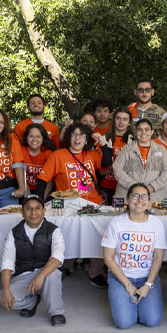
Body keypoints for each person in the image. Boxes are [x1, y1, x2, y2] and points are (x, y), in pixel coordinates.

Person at [37, 122, 110, 288]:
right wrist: (38, 202)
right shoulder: (58, 155)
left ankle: (96, 273)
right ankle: (65, 266)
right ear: (69, 137)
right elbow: (43, 179)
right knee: (66, 236)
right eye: (74, 134)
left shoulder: (91, 154)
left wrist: (103, 142)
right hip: (67, 206)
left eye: (82, 135)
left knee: (97, 237)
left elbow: (106, 162)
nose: (78, 138)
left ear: (87, 139)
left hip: (93, 204)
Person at [101, 183, 166, 329]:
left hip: (146, 278)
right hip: (121, 278)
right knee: (124, 323)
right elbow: (108, 257)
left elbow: (158, 257)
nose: (140, 200)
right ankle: (131, 305)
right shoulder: (116, 223)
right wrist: (128, 285)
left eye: (144, 196)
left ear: (149, 200)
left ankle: (138, 305)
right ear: (127, 199)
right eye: (135, 196)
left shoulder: (156, 224)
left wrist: (148, 285)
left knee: (152, 321)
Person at [0, 196, 66, 326]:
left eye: (37, 208)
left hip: (46, 274)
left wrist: (41, 276)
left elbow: (57, 258)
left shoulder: (54, 231)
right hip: (24, 276)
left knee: (53, 274)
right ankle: (32, 302)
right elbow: (7, 263)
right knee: (2, 297)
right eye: (29, 209)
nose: (33, 213)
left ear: (44, 211)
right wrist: (6, 290)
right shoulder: (14, 233)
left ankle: (56, 312)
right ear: (22, 213)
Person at [112, 118, 167, 203]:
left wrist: (152, 186)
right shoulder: (126, 150)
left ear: (152, 132)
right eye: (140, 130)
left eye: (147, 130)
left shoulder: (161, 150)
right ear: (135, 132)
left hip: (154, 197)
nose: (143, 132)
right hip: (128, 196)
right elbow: (117, 169)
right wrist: (134, 187)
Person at [99, 106, 134, 202]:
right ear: (114, 120)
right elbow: (100, 165)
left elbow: (134, 167)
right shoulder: (104, 138)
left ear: (129, 122)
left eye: (125, 119)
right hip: (106, 186)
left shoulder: (133, 141)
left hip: (125, 187)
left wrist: (111, 167)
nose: (121, 122)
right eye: (118, 118)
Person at [20, 123, 54, 194]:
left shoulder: (48, 153)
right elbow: (20, 177)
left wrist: (42, 198)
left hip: (44, 189)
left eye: (38, 136)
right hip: (25, 188)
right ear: (26, 137)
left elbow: (51, 181)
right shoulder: (21, 151)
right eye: (31, 136)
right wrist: (29, 197)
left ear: (43, 138)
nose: (34, 139)